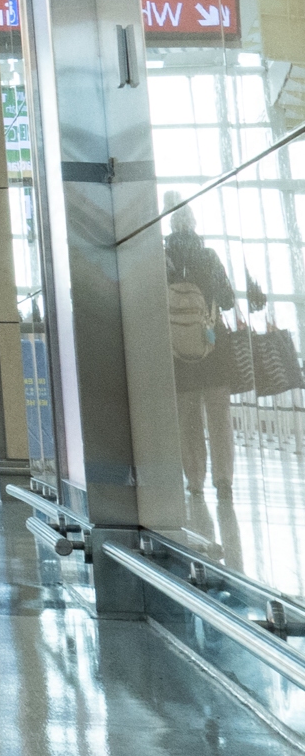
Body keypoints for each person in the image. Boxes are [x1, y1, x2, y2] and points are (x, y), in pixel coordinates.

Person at [164, 211, 239, 531]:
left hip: (178, 352)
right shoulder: (208, 256)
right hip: (212, 346)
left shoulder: (162, 259)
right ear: (194, 224)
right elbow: (227, 299)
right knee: (219, 417)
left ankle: (194, 480)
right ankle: (223, 480)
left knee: (187, 418)